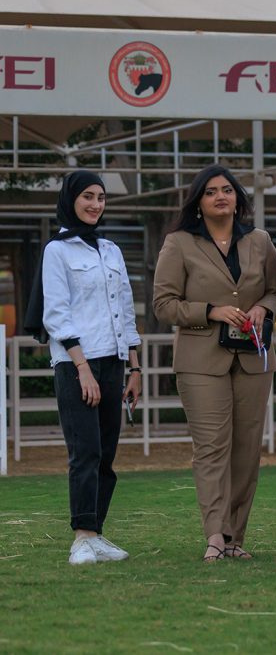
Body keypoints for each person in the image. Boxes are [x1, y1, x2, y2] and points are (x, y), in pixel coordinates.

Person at [153, 165, 276, 562]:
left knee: (247, 451)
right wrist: (211, 311)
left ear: (237, 198)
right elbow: (163, 305)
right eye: (210, 191)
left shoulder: (260, 241)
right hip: (200, 361)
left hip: (253, 358)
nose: (220, 196)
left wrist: (264, 308)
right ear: (198, 201)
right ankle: (214, 533)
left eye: (227, 190)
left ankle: (235, 537)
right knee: (212, 448)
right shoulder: (179, 243)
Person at [24, 171, 142, 565]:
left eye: (101, 198)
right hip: (77, 364)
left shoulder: (110, 250)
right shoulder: (57, 251)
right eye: (88, 197)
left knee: (106, 455)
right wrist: (83, 369)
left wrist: (135, 368)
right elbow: (56, 314)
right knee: (85, 452)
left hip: (114, 361)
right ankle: (81, 537)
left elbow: (125, 310)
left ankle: (98, 533)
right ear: (71, 199)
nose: (95, 204)